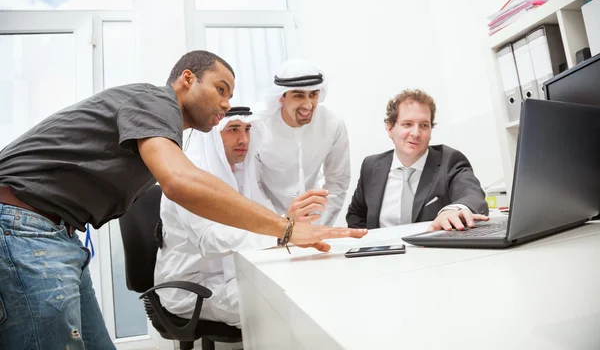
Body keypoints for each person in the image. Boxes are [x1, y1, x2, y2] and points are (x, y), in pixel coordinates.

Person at [0, 50, 366, 349]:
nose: (226, 104)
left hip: (55, 234)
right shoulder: (153, 101)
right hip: (22, 226)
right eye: (221, 90)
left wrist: (284, 224)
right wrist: (286, 229)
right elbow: (181, 183)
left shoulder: (171, 144)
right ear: (187, 79)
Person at [154, 106, 325, 327]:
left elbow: (260, 222)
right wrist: (283, 231)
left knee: (309, 282)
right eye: (233, 129)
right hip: (194, 287)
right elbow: (211, 240)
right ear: (212, 137)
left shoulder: (243, 174)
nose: (243, 139)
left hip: (233, 277)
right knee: (288, 306)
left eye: (247, 129)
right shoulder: (188, 180)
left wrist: (286, 221)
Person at [346, 89, 489, 231]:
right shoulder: (371, 166)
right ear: (390, 128)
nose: (416, 133)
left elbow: (472, 194)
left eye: (424, 125)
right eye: (407, 124)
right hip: (383, 251)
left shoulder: (450, 161)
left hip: (431, 250)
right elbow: (356, 215)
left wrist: (452, 210)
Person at [252, 59, 351, 226]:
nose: (308, 104)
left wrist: (318, 225)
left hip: (315, 224)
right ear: (281, 97)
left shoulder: (333, 124)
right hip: (268, 225)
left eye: (313, 94)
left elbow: (338, 181)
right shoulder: (258, 128)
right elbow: (254, 186)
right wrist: (281, 226)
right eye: (298, 95)